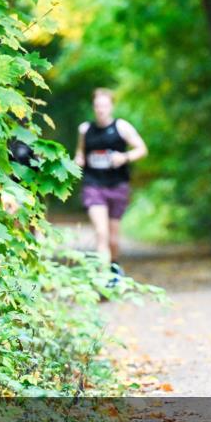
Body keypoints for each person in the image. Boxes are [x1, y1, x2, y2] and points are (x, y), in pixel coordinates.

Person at [74, 88, 148, 280]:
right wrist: (78, 160)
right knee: (101, 233)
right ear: (93, 107)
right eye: (97, 106)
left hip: (117, 185)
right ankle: (102, 278)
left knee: (113, 239)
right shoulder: (85, 129)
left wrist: (124, 157)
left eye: (104, 106)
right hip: (93, 185)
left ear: (111, 107)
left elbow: (142, 149)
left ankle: (114, 268)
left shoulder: (121, 127)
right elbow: (80, 153)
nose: (100, 110)